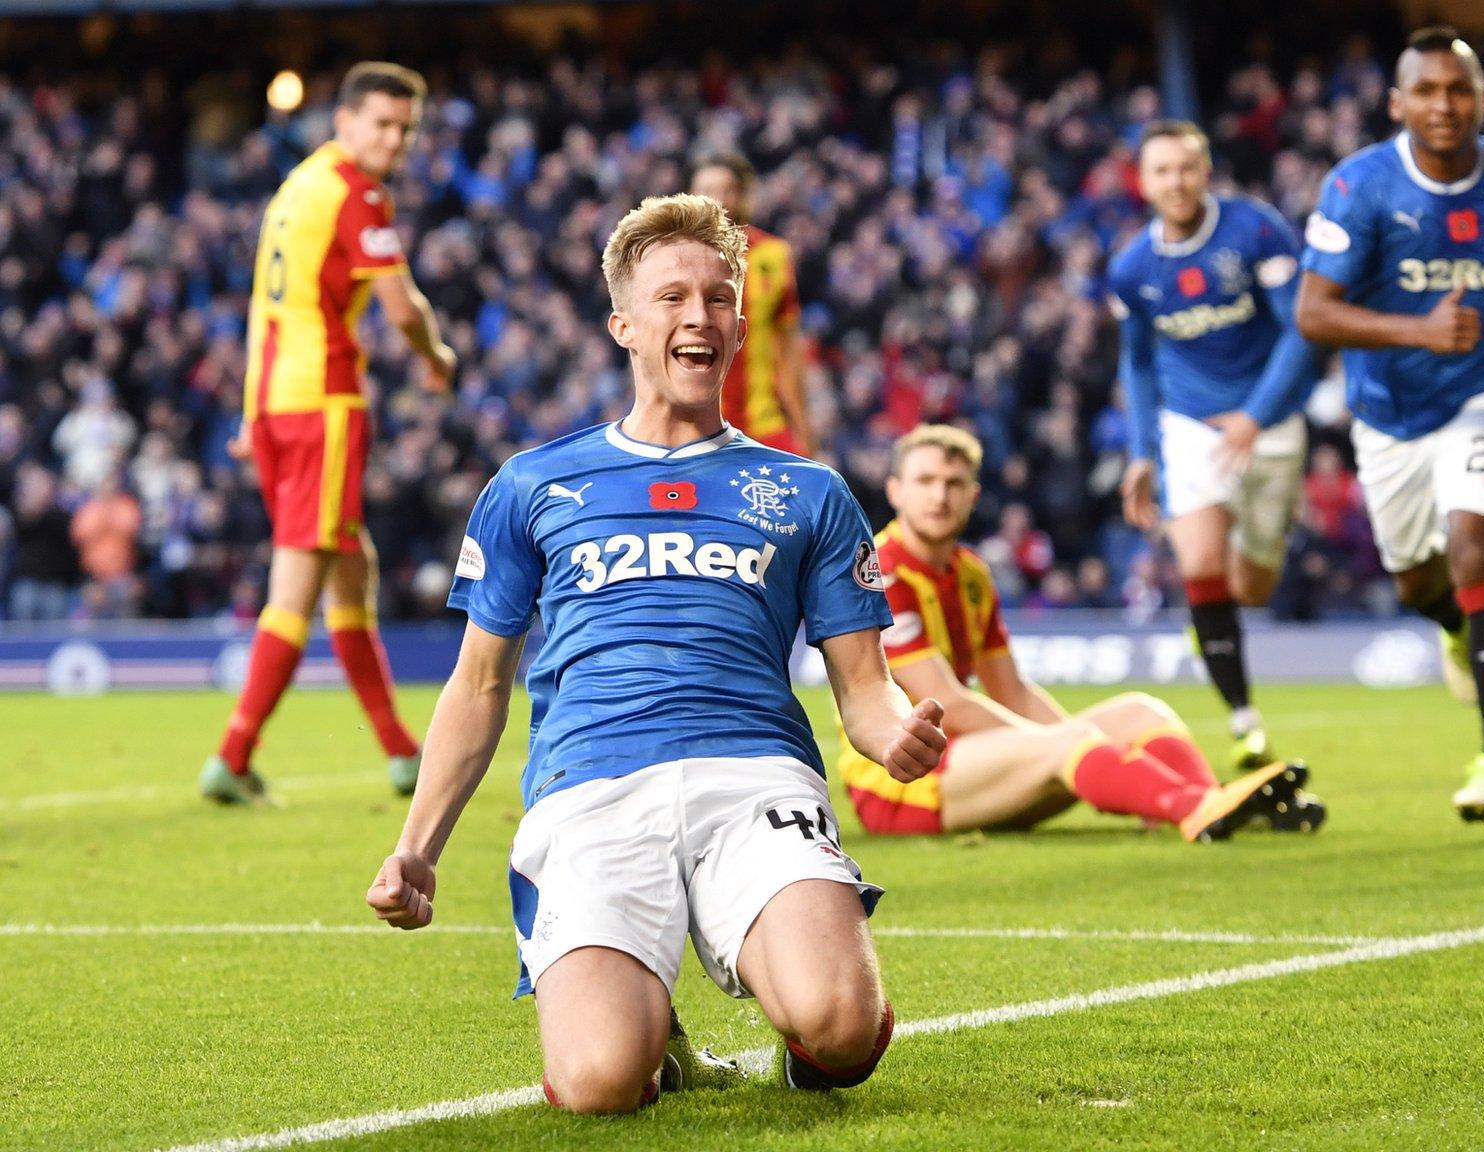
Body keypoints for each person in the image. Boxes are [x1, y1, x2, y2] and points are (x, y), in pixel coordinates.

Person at [366, 194, 946, 1109]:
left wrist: (893, 736)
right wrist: (417, 848)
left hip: (754, 778)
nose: (698, 316)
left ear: (740, 326)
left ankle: (798, 1026)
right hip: (590, 787)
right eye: (672, 297)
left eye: (718, 298)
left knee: (840, 1026)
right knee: (598, 1082)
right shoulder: (532, 485)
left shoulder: (808, 491)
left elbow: (865, 692)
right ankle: (650, 1032)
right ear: (624, 325)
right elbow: (479, 684)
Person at [1295, 27, 1484, 829]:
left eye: (1458, 89)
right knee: (1418, 581)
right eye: (1426, 91)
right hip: (1390, 410)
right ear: (1397, 104)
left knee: (1475, 544)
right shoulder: (1359, 188)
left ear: (1483, 100)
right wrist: (1417, 332)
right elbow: (1312, 312)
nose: (1444, 105)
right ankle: (1459, 628)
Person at [839, 423, 1322, 839]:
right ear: (895, 491)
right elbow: (953, 705)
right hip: (901, 786)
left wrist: (1080, 742)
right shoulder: (882, 573)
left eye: (953, 482)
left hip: (970, 766)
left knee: (1139, 712)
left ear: (974, 494)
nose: (940, 496)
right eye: (925, 481)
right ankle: (1187, 806)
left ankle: (1216, 802)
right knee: (1071, 744)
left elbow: (1012, 692)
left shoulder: (971, 574)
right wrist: (1075, 745)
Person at [199, 62, 457, 804]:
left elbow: (265, 311)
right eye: (381, 123)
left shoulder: (296, 188)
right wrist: (437, 358)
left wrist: (253, 414)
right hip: (324, 404)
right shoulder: (351, 193)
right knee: (300, 580)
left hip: (282, 405)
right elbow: (403, 308)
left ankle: (401, 751)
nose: (394, 141)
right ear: (343, 122)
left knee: (352, 566)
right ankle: (233, 754)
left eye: (405, 128)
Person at [1108, 120, 1321, 772]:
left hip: (1271, 425)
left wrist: (1256, 416)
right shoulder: (1131, 269)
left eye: (1186, 168)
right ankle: (1245, 725)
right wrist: (1142, 451)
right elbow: (1139, 365)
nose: (1175, 181)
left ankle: (1213, 623)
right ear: (1143, 183)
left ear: (1206, 173)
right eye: (1162, 171)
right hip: (1192, 427)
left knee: (1251, 584)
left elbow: (1302, 331)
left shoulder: (1256, 230)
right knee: (1199, 564)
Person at [688, 152, 815, 455]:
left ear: (744, 196)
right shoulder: (672, 258)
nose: (718, 200)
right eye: (707, 191)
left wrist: (804, 431)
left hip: (763, 424)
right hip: (695, 426)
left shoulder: (772, 255)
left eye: (727, 190)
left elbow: (787, 351)